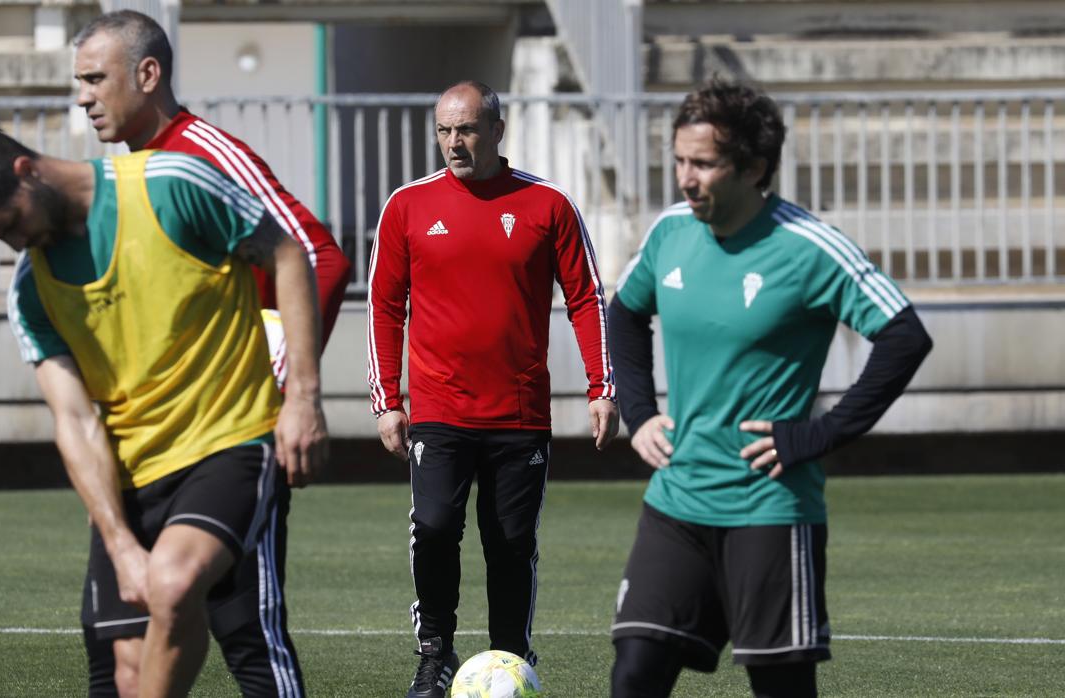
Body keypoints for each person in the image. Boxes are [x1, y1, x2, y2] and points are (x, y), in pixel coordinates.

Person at [0, 128, 328, 698]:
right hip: (133, 473)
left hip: (230, 440)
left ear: (25, 170)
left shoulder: (170, 184)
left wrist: (304, 397)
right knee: (126, 674)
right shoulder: (30, 291)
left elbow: (289, 253)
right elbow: (74, 421)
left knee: (172, 584)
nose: (16, 242)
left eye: (11, 222)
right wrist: (119, 544)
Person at [606, 78, 933, 698]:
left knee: (781, 690)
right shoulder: (671, 232)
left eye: (703, 163)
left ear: (753, 167)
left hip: (770, 509)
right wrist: (640, 411)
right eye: (678, 159)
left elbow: (904, 336)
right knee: (634, 676)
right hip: (677, 502)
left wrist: (821, 432)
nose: (684, 177)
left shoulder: (809, 247)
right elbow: (624, 312)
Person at [69, 11, 352, 696]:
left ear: (147, 75)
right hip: (159, 443)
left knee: (246, 629)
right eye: (77, 82)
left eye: (94, 79)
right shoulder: (127, 171)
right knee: (115, 638)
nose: (83, 97)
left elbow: (317, 259)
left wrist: (286, 397)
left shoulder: (204, 152)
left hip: (235, 436)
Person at [367, 81, 619, 698]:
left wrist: (601, 386)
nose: (455, 142)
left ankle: (511, 658)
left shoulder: (548, 204)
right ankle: (435, 655)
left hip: (518, 411)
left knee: (510, 543)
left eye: (468, 129)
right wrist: (388, 400)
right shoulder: (407, 205)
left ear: (498, 131)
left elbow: (586, 296)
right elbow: (384, 304)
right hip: (438, 408)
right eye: (445, 130)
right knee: (433, 528)